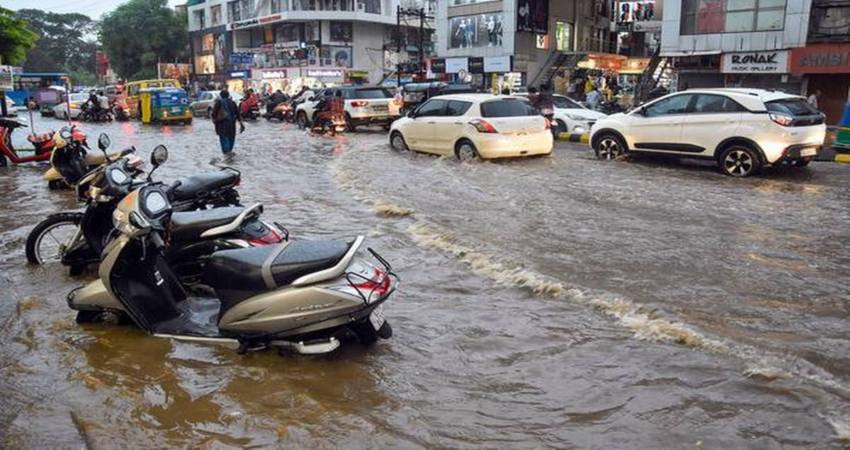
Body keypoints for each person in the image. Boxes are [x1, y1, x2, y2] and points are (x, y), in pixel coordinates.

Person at [211, 89, 245, 158]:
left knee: (224, 139)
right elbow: (238, 114)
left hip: (222, 125)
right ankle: (230, 154)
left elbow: (213, 113)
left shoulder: (219, 103)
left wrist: (215, 121)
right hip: (232, 125)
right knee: (231, 139)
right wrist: (241, 124)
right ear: (228, 95)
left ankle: (227, 155)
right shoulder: (233, 103)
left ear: (221, 96)